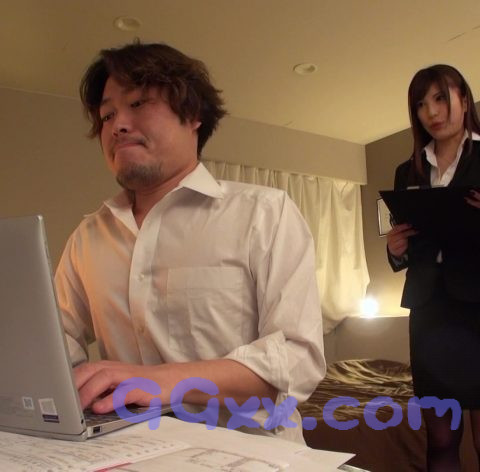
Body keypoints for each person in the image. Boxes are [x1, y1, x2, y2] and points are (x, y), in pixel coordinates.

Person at [55, 42, 325, 443]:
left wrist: (162, 381)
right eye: (107, 114)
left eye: (138, 103)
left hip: (251, 454)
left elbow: (297, 359)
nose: (117, 125)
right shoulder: (87, 238)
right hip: (127, 450)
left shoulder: (265, 213)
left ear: (193, 115)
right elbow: (56, 339)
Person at [387, 64, 480, 470]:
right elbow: (407, 244)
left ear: (464, 98)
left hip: (479, 307)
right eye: (421, 104)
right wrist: (396, 249)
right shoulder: (407, 171)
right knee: (440, 439)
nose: (431, 111)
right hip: (429, 312)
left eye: (440, 98)